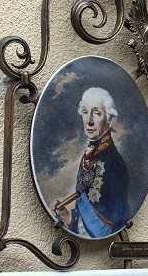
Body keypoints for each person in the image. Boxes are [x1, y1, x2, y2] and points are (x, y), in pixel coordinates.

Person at [52, 87, 129, 238]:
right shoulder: (88, 155)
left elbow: (119, 221)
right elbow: (85, 210)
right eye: (85, 112)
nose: (89, 121)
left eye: (97, 113)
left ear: (109, 120)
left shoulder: (115, 162)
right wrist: (68, 216)